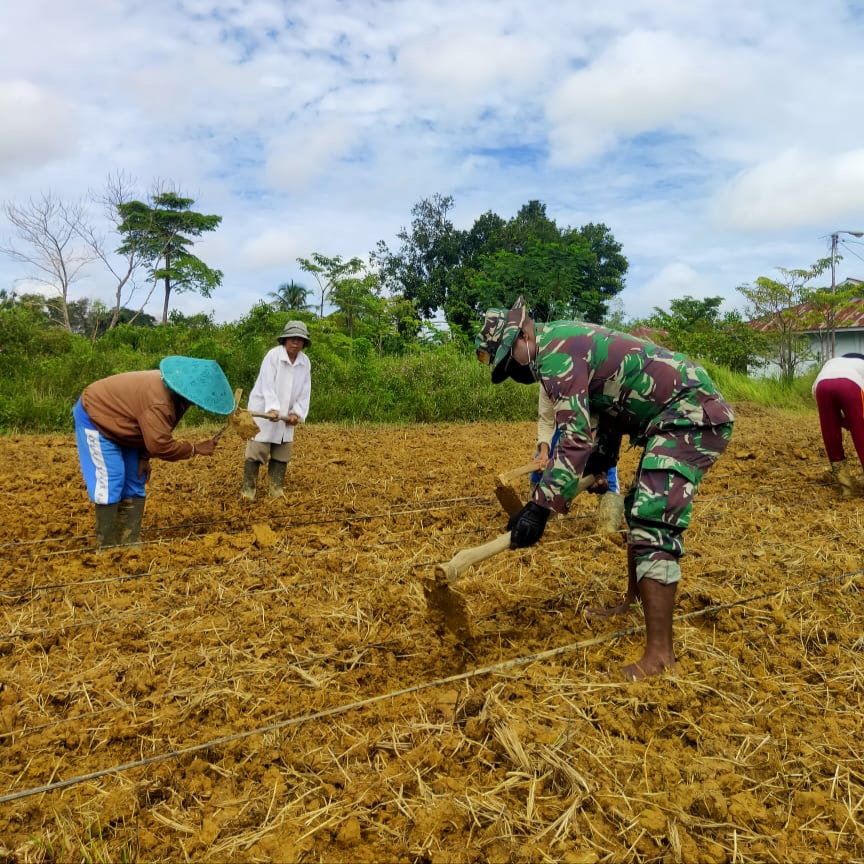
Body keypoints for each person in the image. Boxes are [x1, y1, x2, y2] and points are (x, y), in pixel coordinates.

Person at [475, 297, 734, 680]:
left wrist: (539, 509)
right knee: (635, 509)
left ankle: (661, 657)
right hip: (666, 417)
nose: (513, 371)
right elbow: (612, 401)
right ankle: (632, 603)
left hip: (690, 415)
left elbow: (574, 439)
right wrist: (602, 457)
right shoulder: (561, 342)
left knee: (652, 522)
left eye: (511, 360)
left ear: (525, 333)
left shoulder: (553, 354)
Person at [73, 356, 236, 549]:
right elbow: (160, 444)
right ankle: (107, 547)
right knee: (111, 477)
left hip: (127, 426)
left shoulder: (177, 396)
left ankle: (129, 541)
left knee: (135, 478)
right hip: (97, 417)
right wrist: (195, 448)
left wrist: (144, 456)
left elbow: (149, 428)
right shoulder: (161, 401)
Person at [531, 386, 624, 536]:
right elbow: (547, 420)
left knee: (605, 465)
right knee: (541, 461)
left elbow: (595, 419)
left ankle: (609, 521)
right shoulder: (546, 382)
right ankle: (536, 506)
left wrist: (590, 458)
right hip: (563, 422)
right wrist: (543, 453)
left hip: (596, 419)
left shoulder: (586, 375)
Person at [242, 321, 312, 500]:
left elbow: (305, 391)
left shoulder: (305, 363)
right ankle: (248, 491)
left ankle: (276, 490)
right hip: (264, 411)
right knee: (256, 450)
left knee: (282, 452)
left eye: (299, 339)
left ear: (304, 343)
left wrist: (297, 412)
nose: (295, 342)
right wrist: (272, 407)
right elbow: (267, 384)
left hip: (287, 416)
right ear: (284, 340)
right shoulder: (273, 356)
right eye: (292, 338)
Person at [812, 352, 864, 497]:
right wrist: (853, 422)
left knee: (831, 437)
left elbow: (816, 394)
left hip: (822, 386)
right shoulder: (860, 366)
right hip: (851, 385)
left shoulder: (831, 363)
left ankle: (846, 488)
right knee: (861, 436)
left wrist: (842, 421)